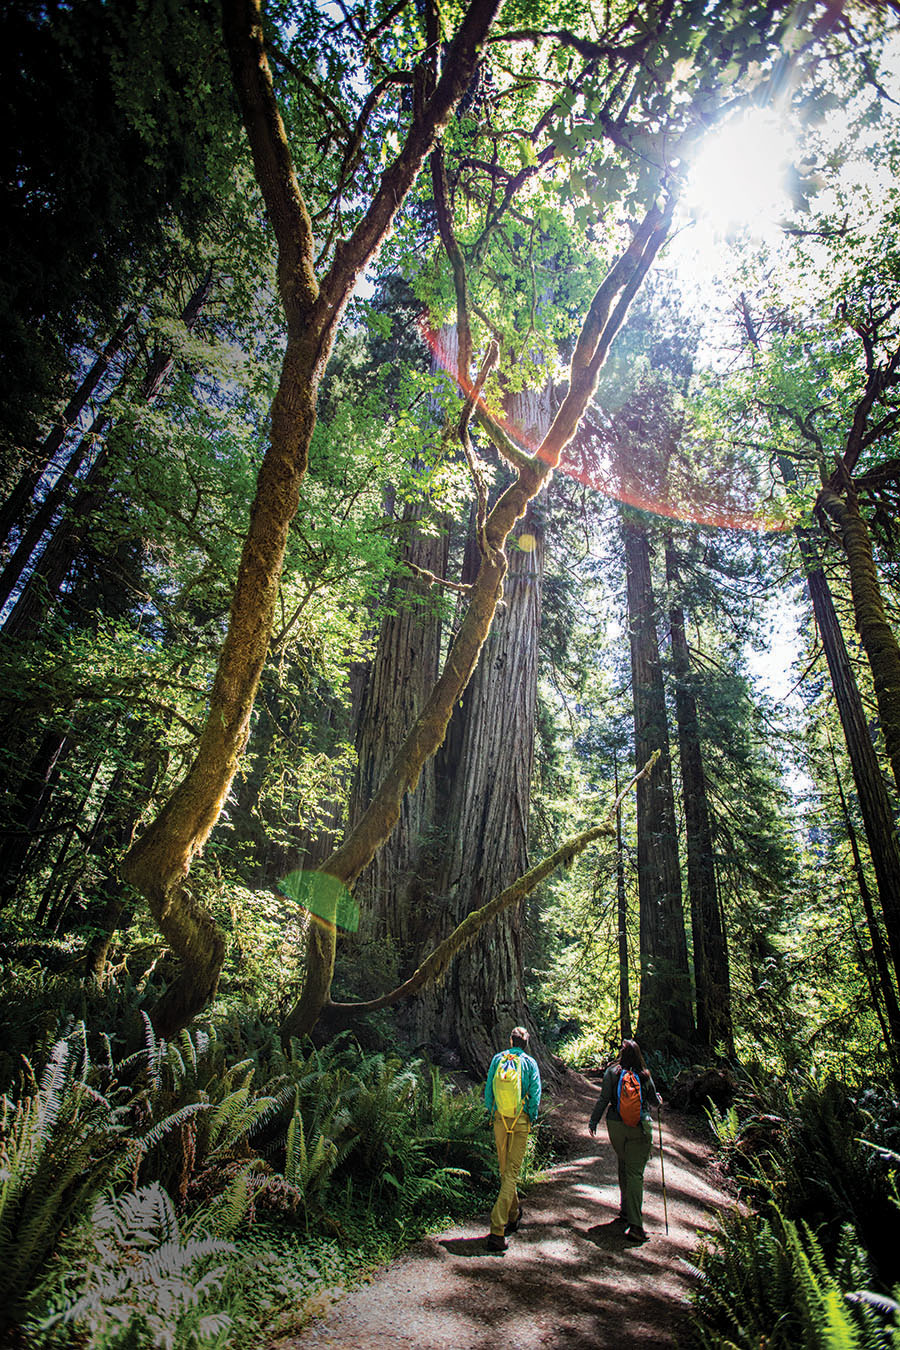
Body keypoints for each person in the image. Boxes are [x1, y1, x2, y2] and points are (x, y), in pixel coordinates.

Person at [588, 1038, 661, 1242]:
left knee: (623, 1163)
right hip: (640, 1126)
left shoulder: (612, 1072)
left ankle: (625, 1211)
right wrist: (658, 1099)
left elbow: (603, 1098)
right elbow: (654, 1102)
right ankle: (636, 1226)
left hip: (616, 1126)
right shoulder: (644, 1075)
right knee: (635, 1173)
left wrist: (594, 1121)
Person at [484, 1026, 541, 1252]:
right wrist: (531, 1117)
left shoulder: (498, 1059)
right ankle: (497, 1228)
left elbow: (489, 1089)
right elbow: (535, 1094)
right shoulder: (530, 1064)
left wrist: (493, 1112)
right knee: (512, 1173)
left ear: (511, 1041)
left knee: (505, 1170)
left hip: (500, 1119)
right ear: (526, 1044)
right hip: (520, 1120)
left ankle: (514, 1214)